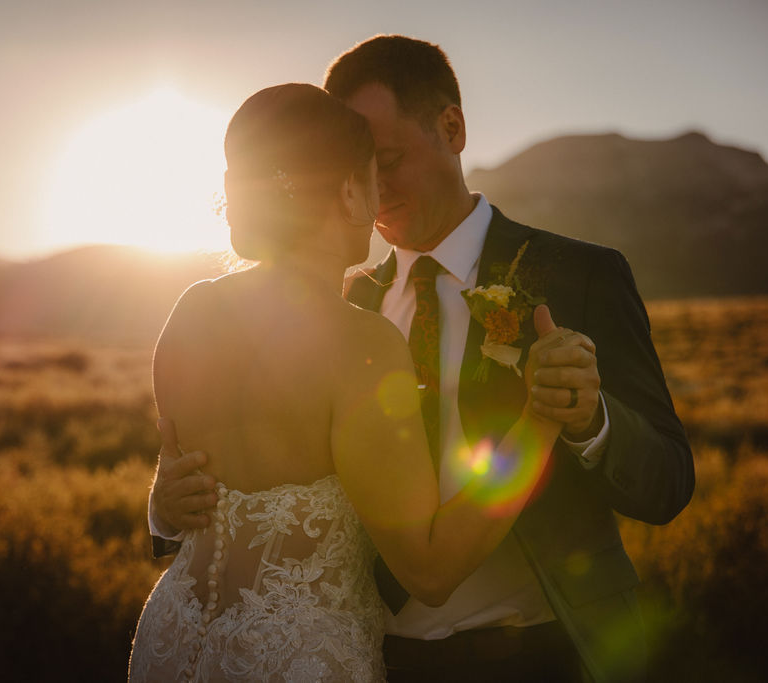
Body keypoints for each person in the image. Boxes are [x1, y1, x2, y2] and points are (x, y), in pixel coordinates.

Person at [150, 37, 695, 682]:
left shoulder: (581, 275)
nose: (377, 191)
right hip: (384, 658)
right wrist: (165, 506)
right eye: (362, 167)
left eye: (389, 159)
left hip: (553, 653)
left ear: (453, 127)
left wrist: (586, 418)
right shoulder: (343, 307)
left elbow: (668, 481)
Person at [128, 82, 575, 682]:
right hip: (294, 661)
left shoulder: (190, 310)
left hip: (175, 639)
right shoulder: (357, 342)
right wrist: (541, 421)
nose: (380, 196)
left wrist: (161, 505)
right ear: (346, 191)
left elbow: (195, 479)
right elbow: (430, 570)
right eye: (372, 176)